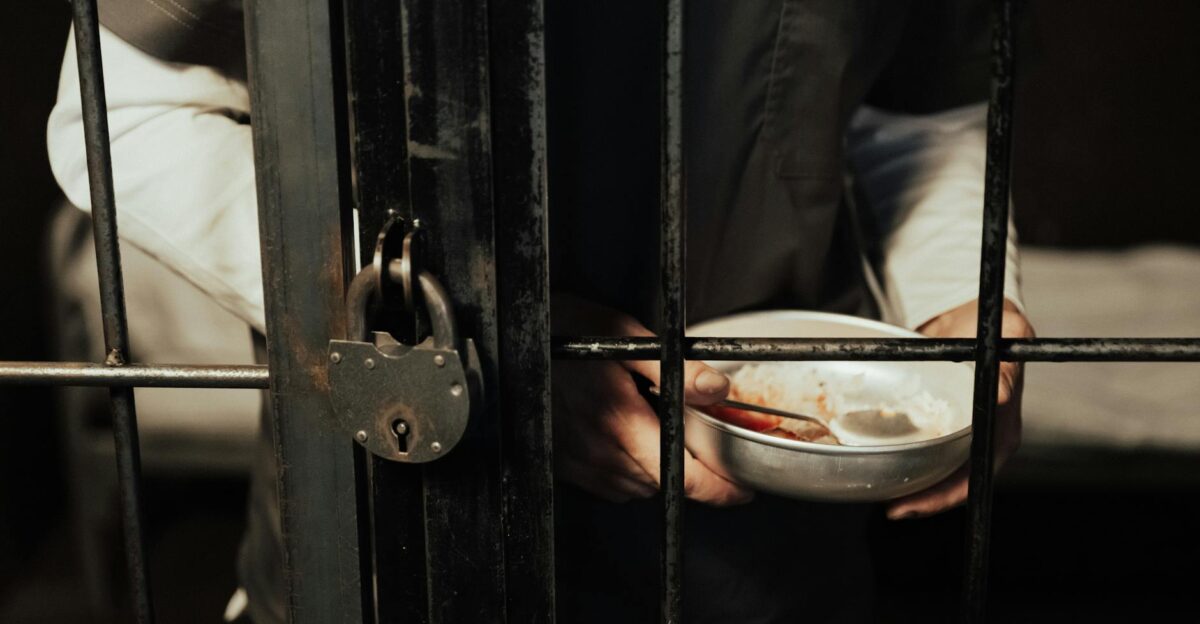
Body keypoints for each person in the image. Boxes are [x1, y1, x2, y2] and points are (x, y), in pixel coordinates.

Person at [48, 0, 1034, 621]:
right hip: (394, 533)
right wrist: (475, 341)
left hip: (767, 557)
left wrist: (966, 296)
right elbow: (121, 112)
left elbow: (921, 108)